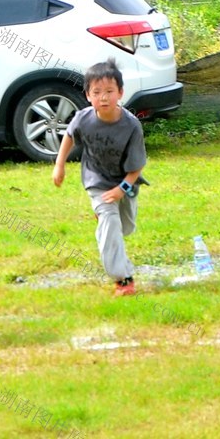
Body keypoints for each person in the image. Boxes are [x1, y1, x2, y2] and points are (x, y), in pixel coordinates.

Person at [52, 59, 146, 297]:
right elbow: (70, 136)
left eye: (109, 91)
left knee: (125, 227)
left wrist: (122, 189)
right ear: (88, 95)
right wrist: (59, 165)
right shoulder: (83, 118)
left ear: (121, 93)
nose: (103, 97)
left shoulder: (131, 126)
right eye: (97, 92)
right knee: (110, 224)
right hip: (96, 181)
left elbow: (137, 168)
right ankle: (123, 280)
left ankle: (105, 218)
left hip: (125, 181)